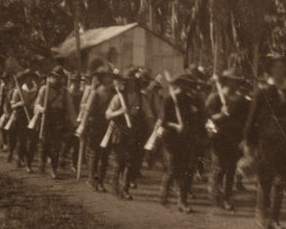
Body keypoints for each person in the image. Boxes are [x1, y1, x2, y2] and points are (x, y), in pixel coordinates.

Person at [243, 55, 286, 229]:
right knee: (265, 178)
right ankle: (261, 214)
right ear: (270, 70)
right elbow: (252, 118)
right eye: (277, 67)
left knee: (282, 179)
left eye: (282, 67)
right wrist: (249, 141)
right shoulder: (263, 91)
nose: (281, 70)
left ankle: (275, 219)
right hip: (267, 139)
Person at [158, 69, 205, 212]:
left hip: (188, 139)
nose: (187, 86)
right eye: (184, 83)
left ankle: (182, 201)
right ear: (178, 84)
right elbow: (163, 121)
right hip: (172, 139)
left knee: (188, 171)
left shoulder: (192, 100)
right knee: (173, 169)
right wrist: (176, 125)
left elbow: (200, 118)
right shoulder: (169, 99)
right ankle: (164, 194)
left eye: (189, 84)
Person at [206, 68, 249, 211]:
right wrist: (221, 116)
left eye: (237, 81)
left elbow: (245, 121)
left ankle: (227, 197)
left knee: (231, 169)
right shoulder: (215, 97)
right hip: (219, 138)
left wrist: (244, 138)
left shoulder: (242, 100)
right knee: (219, 168)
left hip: (235, 139)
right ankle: (215, 194)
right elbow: (207, 119)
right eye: (233, 80)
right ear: (226, 81)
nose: (236, 83)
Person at [105, 71, 152, 199]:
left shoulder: (142, 98)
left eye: (133, 81)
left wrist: (151, 131)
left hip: (134, 133)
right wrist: (120, 111)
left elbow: (149, 116)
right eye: (129, 81)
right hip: (119, 132)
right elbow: (108, 114)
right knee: (120, 161)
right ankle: (114, 183)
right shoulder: (117, 97)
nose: (131, 84)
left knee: (131, 162)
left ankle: (125, 189)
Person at [33, 66, 76, 179]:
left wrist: (74, 123)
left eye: (60, 78)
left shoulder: (64, 91)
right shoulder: (44, 89)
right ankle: (42, 163)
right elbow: (37, 104)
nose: (58, 80)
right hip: (46, 119)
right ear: (51, 77)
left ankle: (53, 168)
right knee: (44, 142)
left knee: (56, 145)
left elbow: (70, 108)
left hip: (58, 119)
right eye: (56, 77)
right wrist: (41, 109)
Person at [82, 66, 116, 191]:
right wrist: (83, 126)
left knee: (105, 155)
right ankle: (92, 179)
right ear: (101, 78)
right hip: (96, 125)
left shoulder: (115, 93)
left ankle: (101, 181)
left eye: (111, 76)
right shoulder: (95, 93)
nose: (110, 78)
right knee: (94, 153)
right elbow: (88, 110)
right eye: (107, 76)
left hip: (109, 125)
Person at [7, 69, 38, 171]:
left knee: (33, 141)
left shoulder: (37, 90)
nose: (28, 79)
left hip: (33, 116)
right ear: (24, 79)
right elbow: (12, 106)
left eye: (30, 77)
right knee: (23, 141)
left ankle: (29, 162)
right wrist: (20, 104)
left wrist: (35, 106)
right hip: (21, 117)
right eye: (26, 78)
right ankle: (20, 158)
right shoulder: (18, 91)